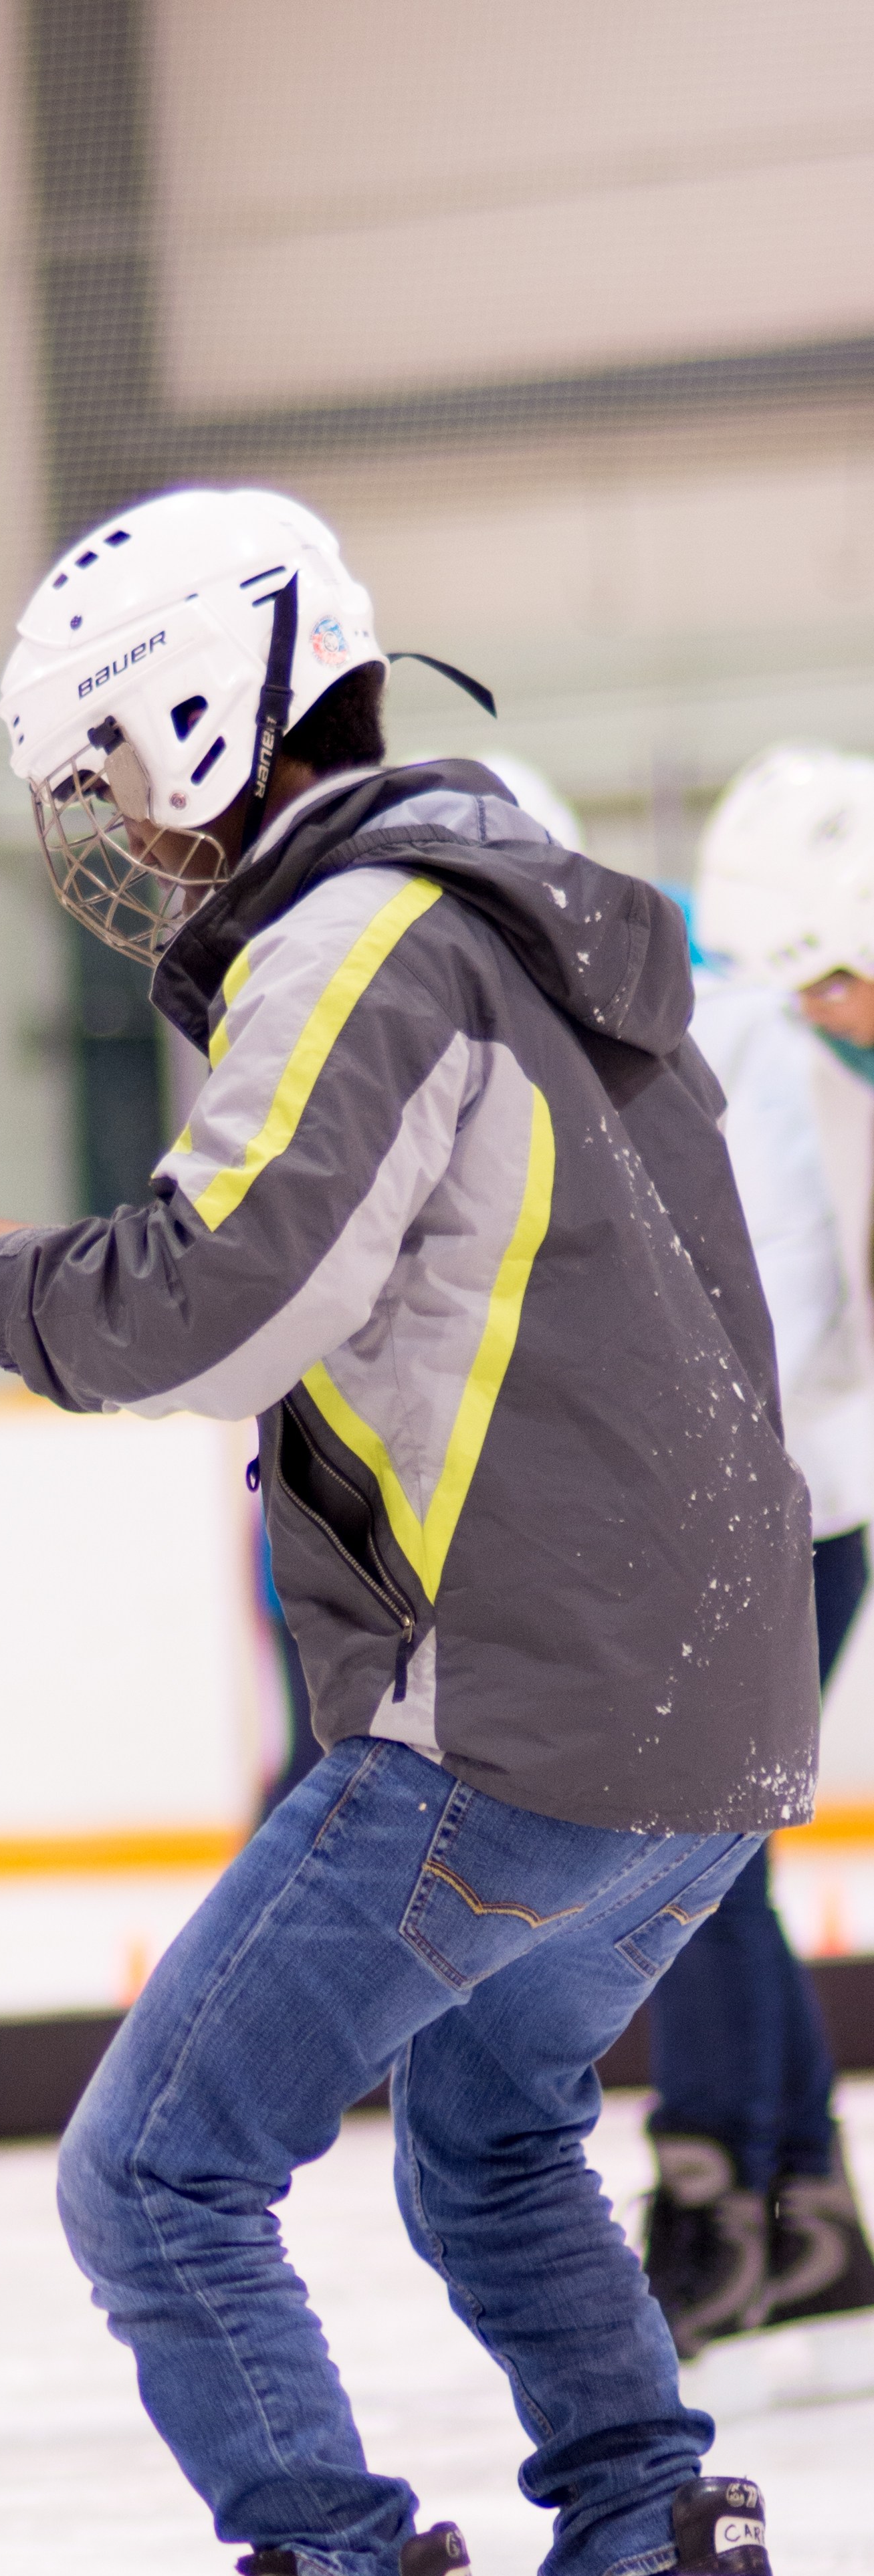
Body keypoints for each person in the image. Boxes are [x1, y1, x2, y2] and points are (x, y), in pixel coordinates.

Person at [0, 484, 809, 2576]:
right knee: (485, 2142)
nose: (127, 845)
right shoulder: (539, 922)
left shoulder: (356, 938)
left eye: (120, 784)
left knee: (154, 2171)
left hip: (512, 1712)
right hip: (706, 1722)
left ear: (198, 709)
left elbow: (195, 1304)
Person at [639, 747, 874, 2374]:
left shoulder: (763, 1052)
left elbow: (777, 1311)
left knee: (683, 1860)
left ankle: (727, 2202)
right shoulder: (777, 1039)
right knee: (709, 1857)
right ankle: (792, 2202)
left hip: (775, 1507)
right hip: (790, 1500)